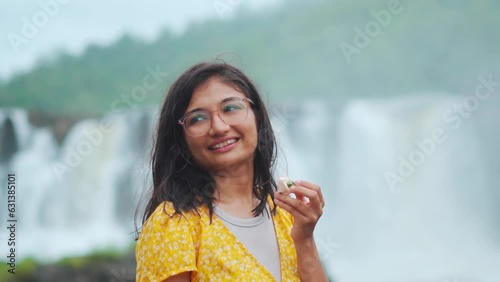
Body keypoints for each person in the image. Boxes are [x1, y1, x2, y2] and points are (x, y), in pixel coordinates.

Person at [135, 61, 328, 282]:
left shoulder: (285, 216)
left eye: (231, 108)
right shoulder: (175, 224)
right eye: (198, 118)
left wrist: (304, 238)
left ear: (257, 116)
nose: (219, 127)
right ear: (181, 139)